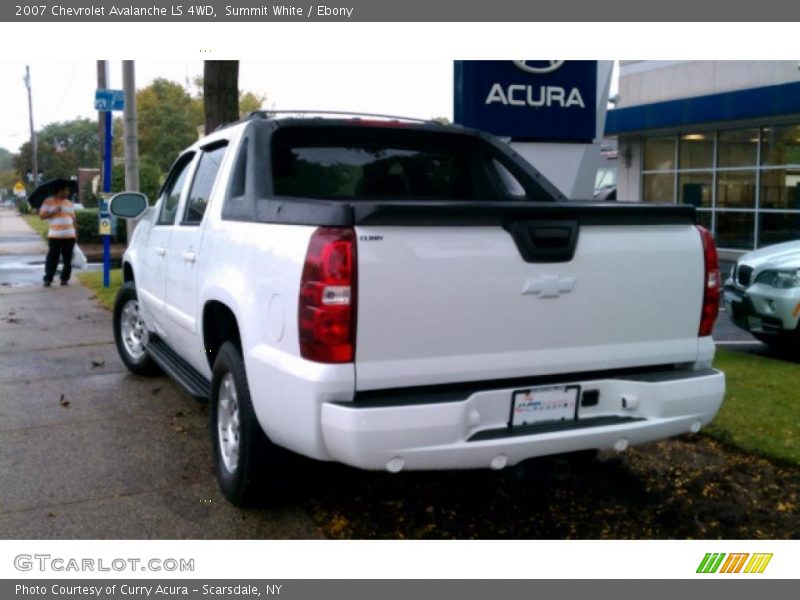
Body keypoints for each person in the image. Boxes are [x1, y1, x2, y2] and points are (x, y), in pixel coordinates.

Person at [38, 184, 78, 287]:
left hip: (69, 235)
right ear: (59, 191)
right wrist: (54, 211)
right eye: (66, 190)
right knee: (52, 258)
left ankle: (65, 278)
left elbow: (73, 218)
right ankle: (48, 278)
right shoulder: (48, 201)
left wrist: (76, 233)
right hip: (55, 236)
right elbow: (41, 216)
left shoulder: (69, 203)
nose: (67, 193)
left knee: (68, 259)